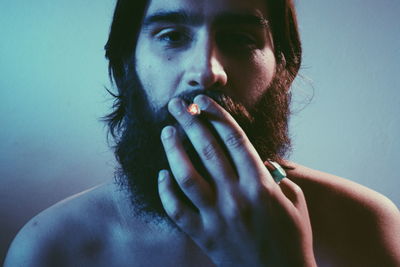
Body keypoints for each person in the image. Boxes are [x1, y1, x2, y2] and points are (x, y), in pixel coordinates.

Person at [4, 0, 400, 266]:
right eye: (172, 36)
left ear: (285, 69)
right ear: (125, 68)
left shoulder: (367, 226)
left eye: (241, 39)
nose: (208, 72)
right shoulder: (49, 249)